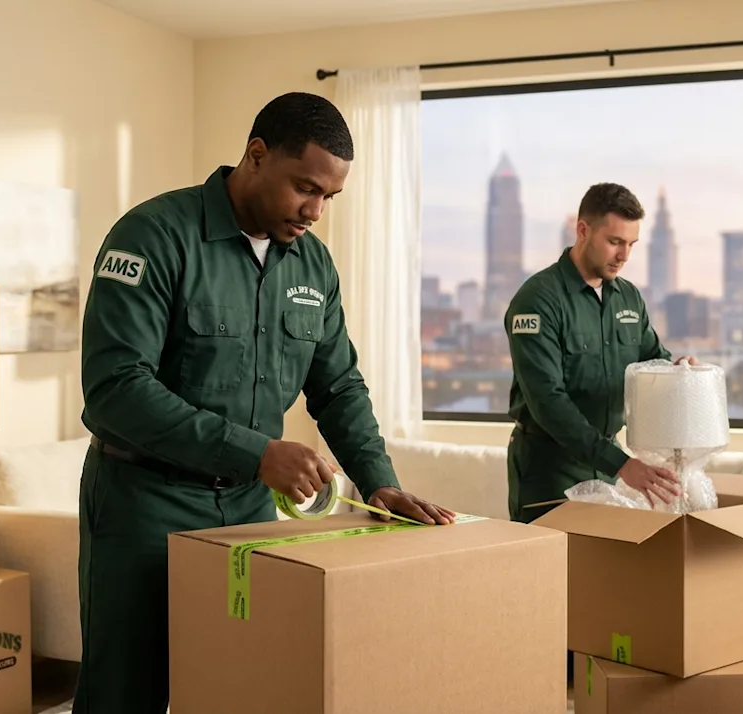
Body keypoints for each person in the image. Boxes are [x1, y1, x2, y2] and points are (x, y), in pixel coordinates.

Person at [74, 91, 455, 713]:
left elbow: (339, 387)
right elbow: (116, 390)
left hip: (250, 514)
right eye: (305, 187)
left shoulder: (313, 265)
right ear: (256, 156)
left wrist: (378, 482)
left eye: (329, 197)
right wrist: (257, 453)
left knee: (241, 686)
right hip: (145, 508)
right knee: (127, 694)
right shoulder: (153, 237)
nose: (315, 211)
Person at [504, 182, 697, 527]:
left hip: (607, 468)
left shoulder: (628, 299)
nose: (624, 256)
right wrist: (622, 463)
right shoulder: (538, 300)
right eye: (614, 242)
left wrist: (678, 372)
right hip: (550, 470)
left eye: (631, 244)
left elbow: (653, 362)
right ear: (582, 230)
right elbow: (547, 400)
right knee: (551, 576)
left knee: (602, 575)